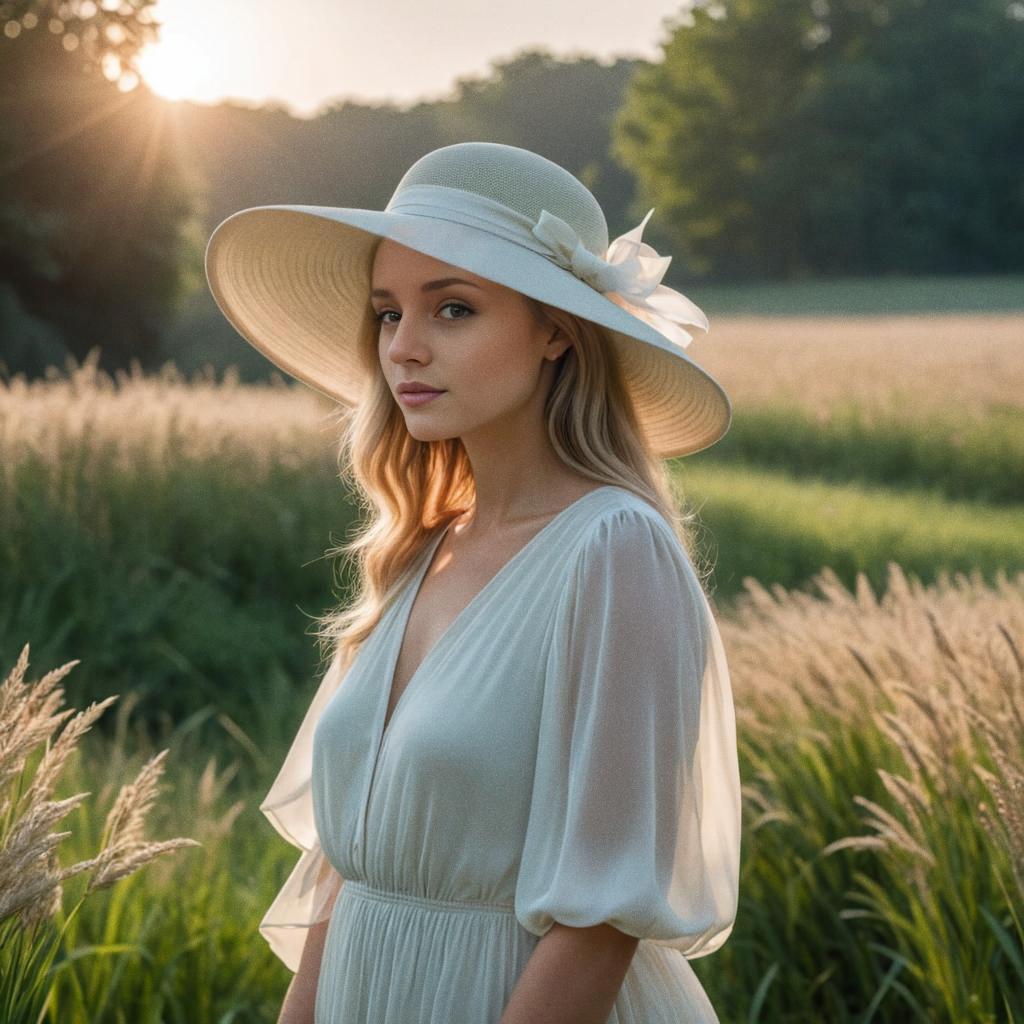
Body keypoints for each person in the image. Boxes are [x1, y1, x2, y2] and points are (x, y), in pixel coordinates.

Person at [205, 140, 742, 1024]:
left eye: (452, 309)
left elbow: (600, 921)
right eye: (387, 313)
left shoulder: (614, 552)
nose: (404, 348)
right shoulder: (421, 549)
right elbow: (351, 875)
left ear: (557, 332)